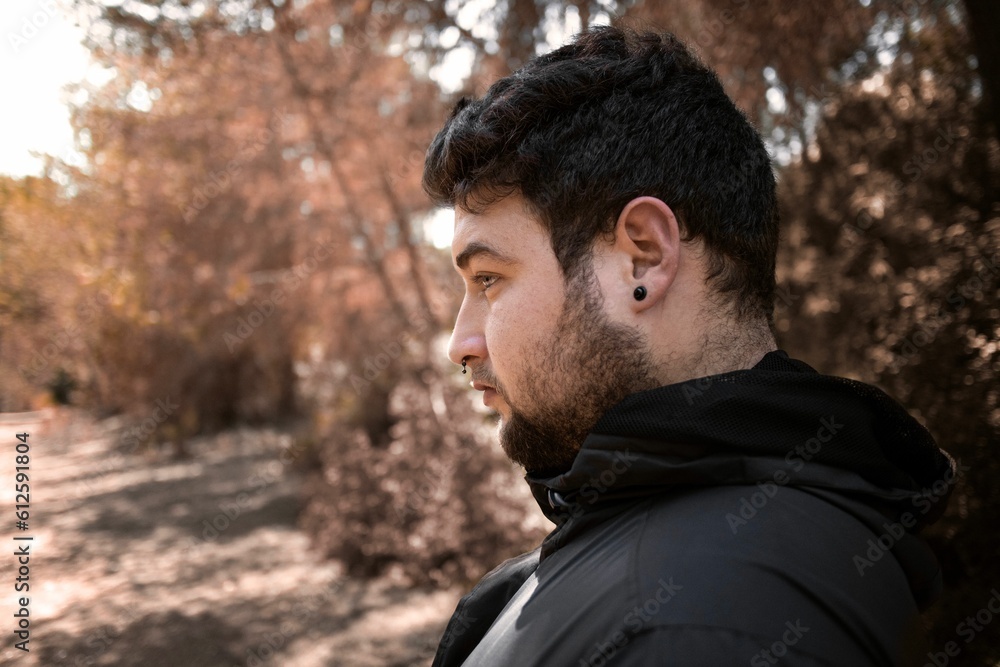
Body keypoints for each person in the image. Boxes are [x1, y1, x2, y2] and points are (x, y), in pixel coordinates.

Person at [421, 25, 956, 666]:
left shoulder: (695, 622)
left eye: (488, 278)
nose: (460, 344)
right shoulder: (734, 549)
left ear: (644, 258)